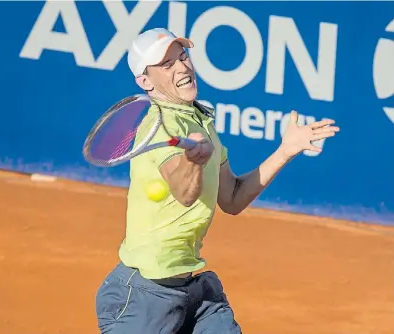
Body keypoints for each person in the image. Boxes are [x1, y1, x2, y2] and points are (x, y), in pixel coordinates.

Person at [95, 28, 339, 334]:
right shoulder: (159, 127)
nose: (183, 67)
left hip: (193, 288)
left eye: (183, 56)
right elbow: (185, 193)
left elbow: (233, 198)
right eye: (167, 65)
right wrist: (193, 162)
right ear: (145, 82)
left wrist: (285, 150)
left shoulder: (200, 120)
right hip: (145, 295)